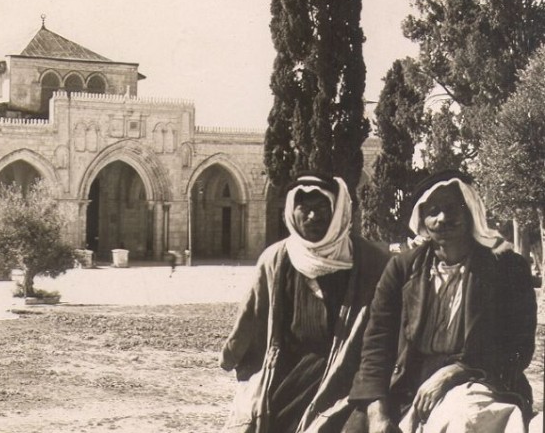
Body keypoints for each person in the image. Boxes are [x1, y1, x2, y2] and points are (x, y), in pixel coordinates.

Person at [349, 170, 537, 432]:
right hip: (408, 384)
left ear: (469, 211)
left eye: (452, 208)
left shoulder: (506, 268)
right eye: (433, 211)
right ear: (422, 219)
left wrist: (456, 371)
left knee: (463, 417)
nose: (443, 218)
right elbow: (376, 344)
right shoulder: (402, 269)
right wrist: (376, 410)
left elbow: (518, 347)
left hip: (482, 381)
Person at [220, 173, 391, 432]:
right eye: (305, 208)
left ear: (337, 212)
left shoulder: (370, 261)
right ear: (291, 211)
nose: (312, 217)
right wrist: (232, 355)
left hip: (347, 375)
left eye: (322, 208)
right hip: (288, 373)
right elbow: (253, 313)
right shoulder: (276, 259)